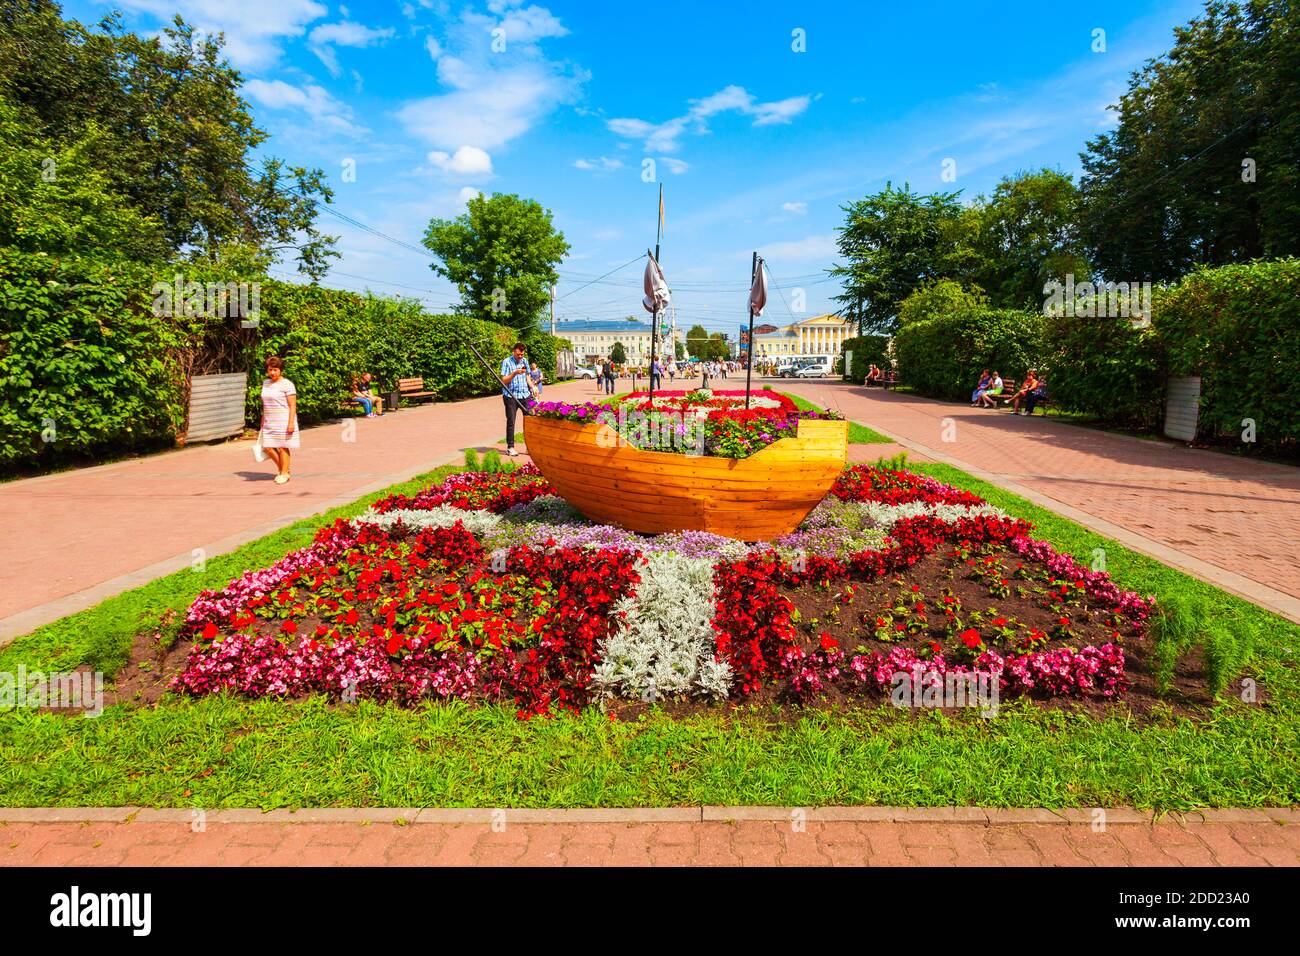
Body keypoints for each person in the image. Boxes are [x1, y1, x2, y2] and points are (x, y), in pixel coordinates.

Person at [260, 356, 299, 484]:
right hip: (269, 421)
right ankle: (284, 469)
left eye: (275, 370)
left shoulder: (287, 384)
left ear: (280, 370)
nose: (272, 373)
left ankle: (283, 473)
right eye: (270, 370)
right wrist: (262, 421)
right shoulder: (266, 383)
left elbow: (292, 404)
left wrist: (291, 422)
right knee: (267, 447)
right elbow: (265, 404)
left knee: (283, 447)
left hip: (284, 420)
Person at [500, 342, 533, 456]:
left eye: (522, 354)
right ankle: (510, 447)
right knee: (511, 422)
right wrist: (514, 373)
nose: (520, 357)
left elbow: (527, 376)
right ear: (514, 351)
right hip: (511, 396)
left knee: (530, 420)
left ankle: (529, 447)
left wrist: (533, 387)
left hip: (525, 395)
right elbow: (503, 380)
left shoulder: (525, 361)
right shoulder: (507, 362)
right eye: (518, 354)